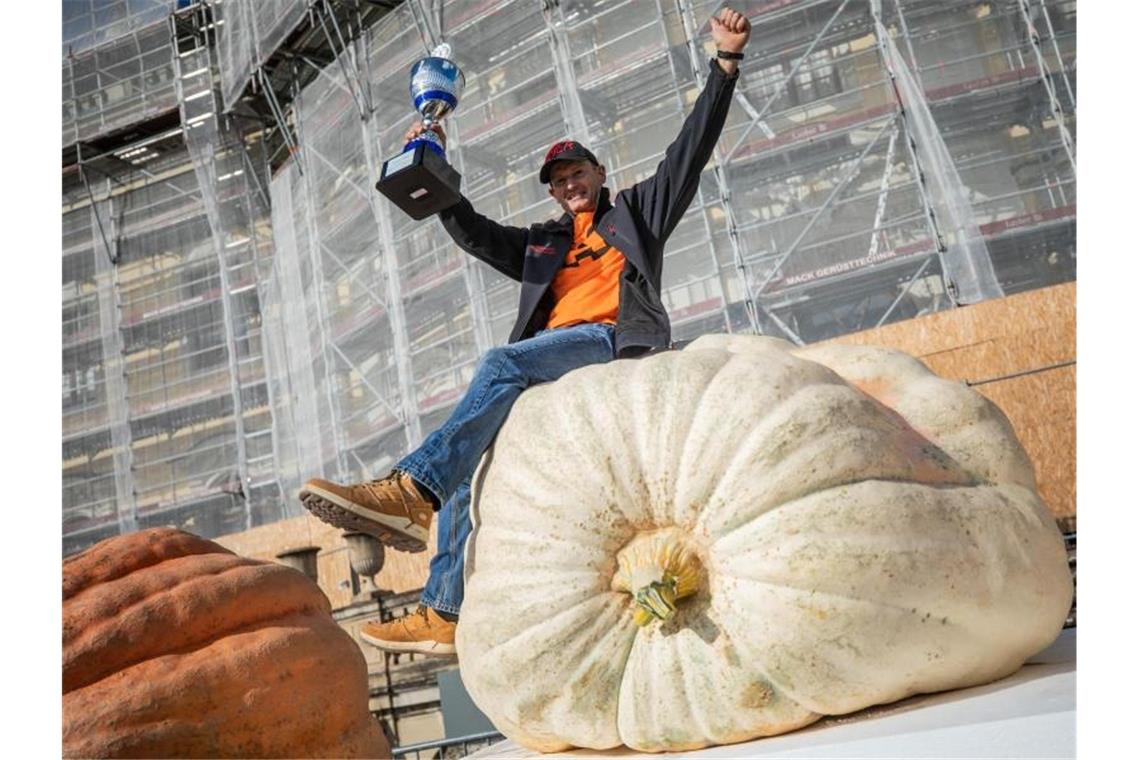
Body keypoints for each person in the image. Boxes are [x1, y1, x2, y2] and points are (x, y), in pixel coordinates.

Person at [299, 6, 753, 655]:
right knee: (470, 461)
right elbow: (474, 233)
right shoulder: (544, 244)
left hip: (608, 343)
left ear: (599, 174)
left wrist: (725, 65)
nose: (569, 184)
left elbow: (690, 150)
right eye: (559, 180)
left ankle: (408, 491)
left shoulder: (636, 214)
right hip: (555, 358)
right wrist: (433, 164)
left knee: (501, 361)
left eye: (578, 173)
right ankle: (443, 610)